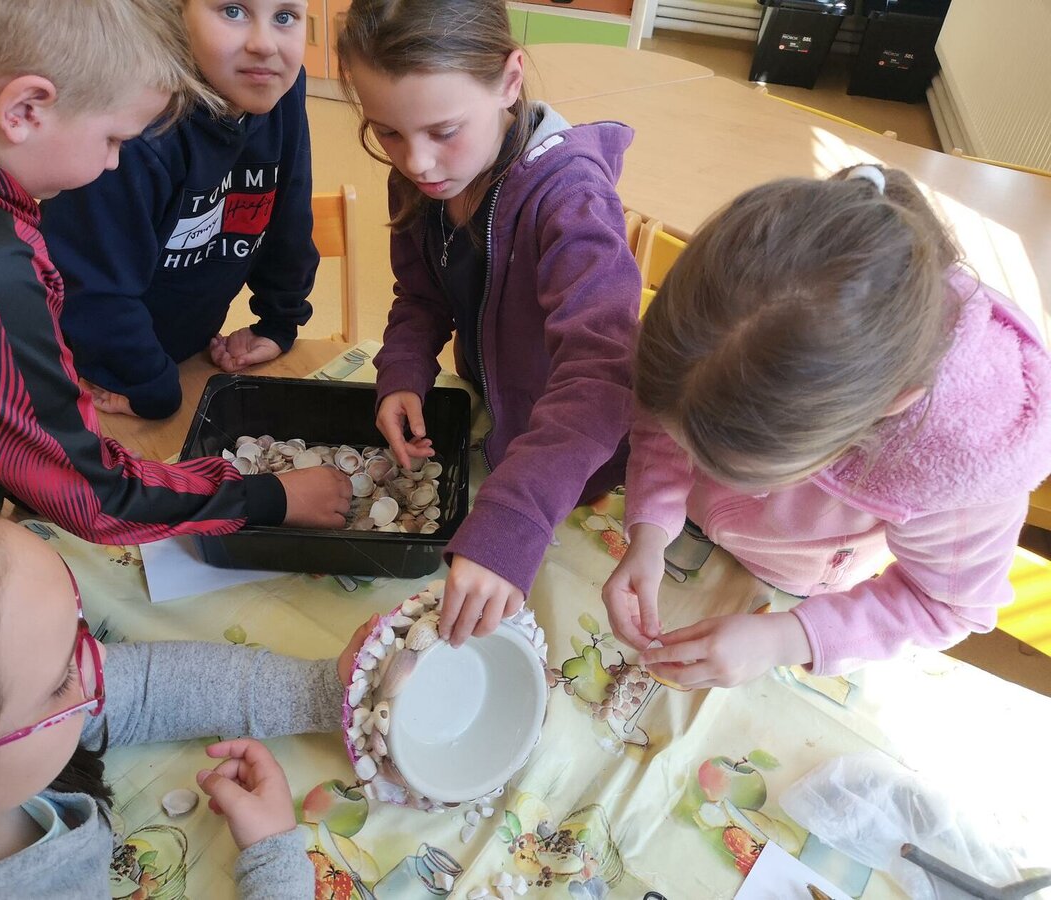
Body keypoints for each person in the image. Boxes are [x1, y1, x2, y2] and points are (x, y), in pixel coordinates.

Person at [0, 0, 351, 543]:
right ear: (24, 110)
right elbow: (92, 495)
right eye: (113, 139)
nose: (114, 162)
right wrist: (269, 497)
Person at [603, 165, 1051, 689]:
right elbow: (667, 410)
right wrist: (651, 527)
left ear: (886, 411)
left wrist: (785, 639)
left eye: (733, 465)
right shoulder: (717, 322)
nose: (697, 461)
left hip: (801, 587)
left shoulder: (962, 463)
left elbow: (943, 607)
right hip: (696, 534)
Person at [0, 485, 373, 897]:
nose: (103, 658)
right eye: (63, 680)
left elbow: (143, 687)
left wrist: (323, 691)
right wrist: (274, 862)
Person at [337, 0, 642, 645]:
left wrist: (515, 518)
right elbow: (422, 296)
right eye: (387, 133)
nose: (417, 163)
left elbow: (602, 375)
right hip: (492, 424)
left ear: (510, 80)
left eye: (444, 131)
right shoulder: (424, 178)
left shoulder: (572, 199)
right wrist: (404, 369)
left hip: (577, 470)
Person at [41, 0, 319, 421]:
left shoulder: (280, 89)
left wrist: (279, 321)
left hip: (175, 361)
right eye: (233, 11)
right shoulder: (136, 129)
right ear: (175, 11)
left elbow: (288, 212)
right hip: (91, 378)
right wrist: (149, 386)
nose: (265, 45)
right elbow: (91, 284)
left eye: (285, 16)